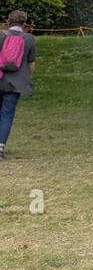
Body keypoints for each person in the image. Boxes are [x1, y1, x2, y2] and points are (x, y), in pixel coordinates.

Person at [0, 10, 37, 160]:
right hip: (16, 83)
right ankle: (0, 147)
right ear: (24, 23)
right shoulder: (29, 39)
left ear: (9, 22)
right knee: (7, 114)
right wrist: (27, 78)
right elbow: (31, 63)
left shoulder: (1, 35)